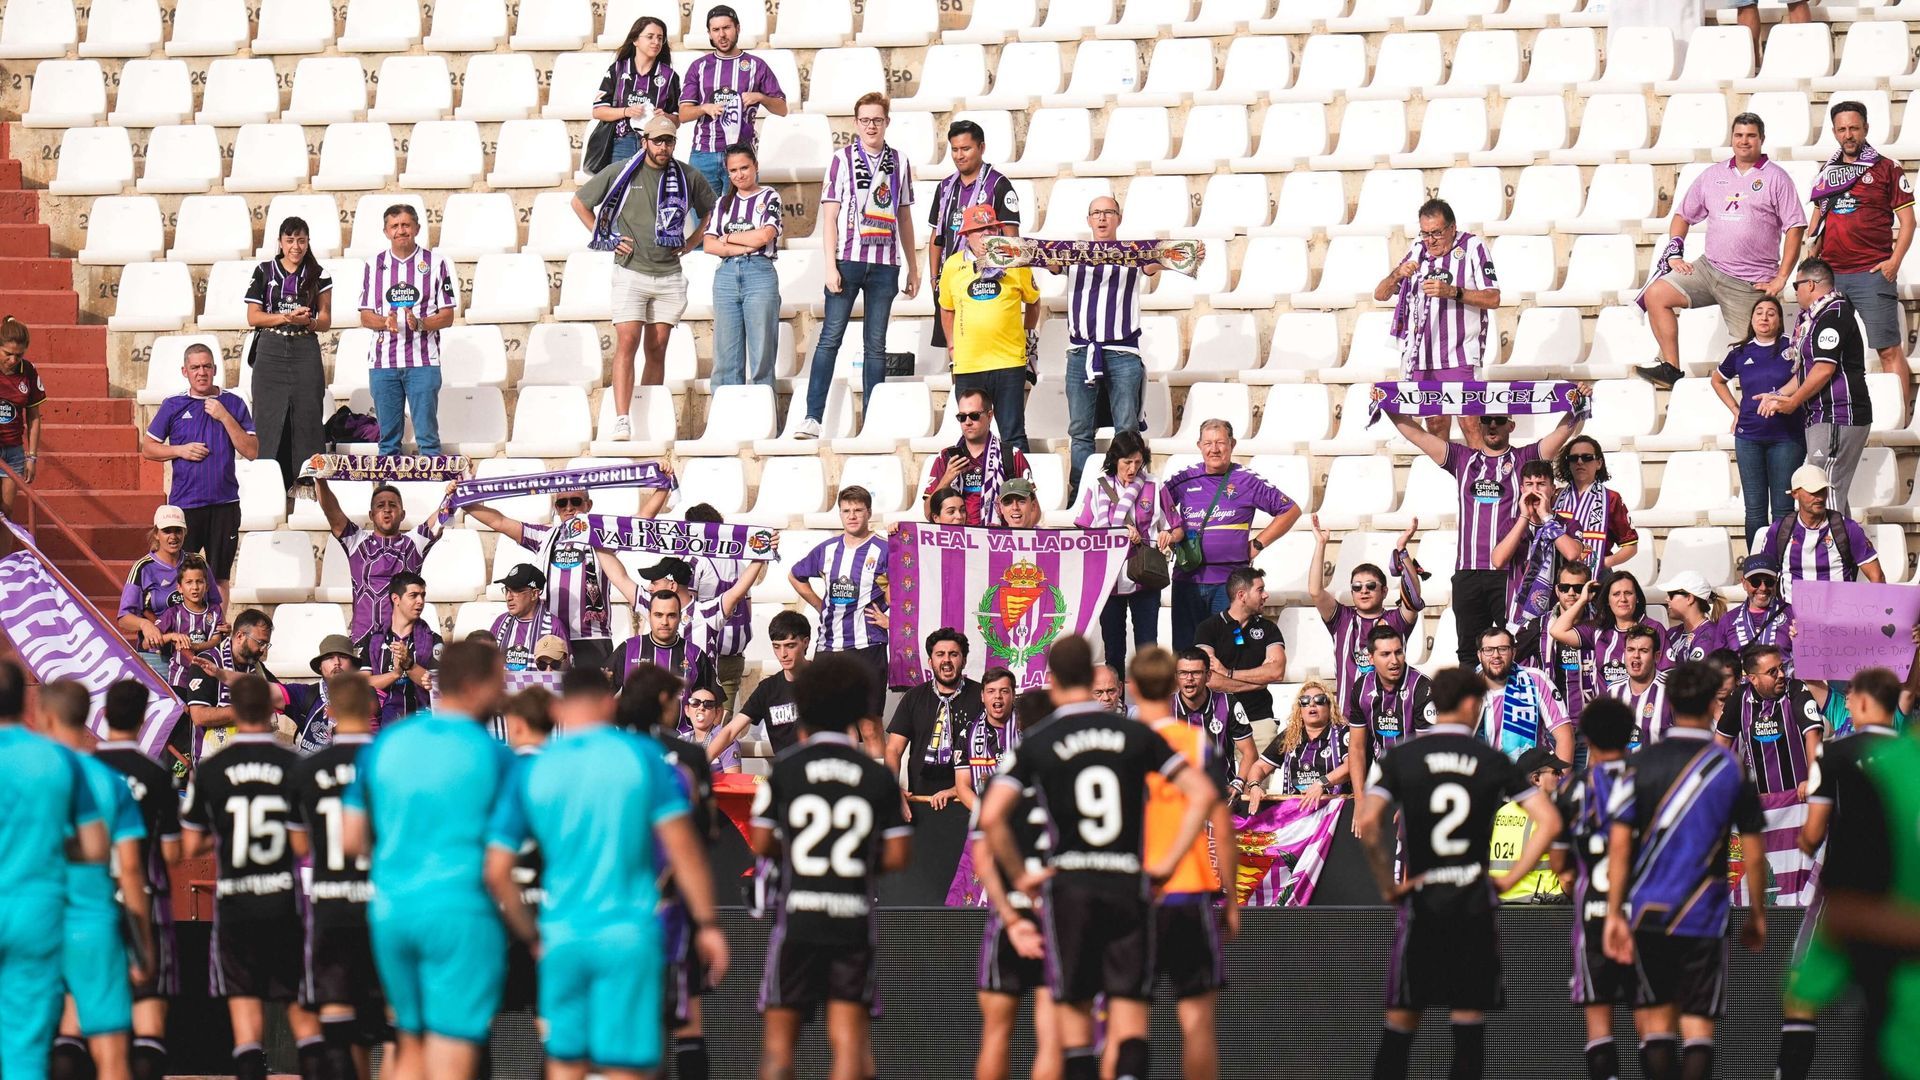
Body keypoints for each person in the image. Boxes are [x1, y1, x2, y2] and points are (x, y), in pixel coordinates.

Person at [978, 636, 1218, 1080]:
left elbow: (991, 817)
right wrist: (1167, 863)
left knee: (1075, 1022)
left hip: (1070, 887)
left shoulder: (1039, 740)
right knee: (1129, 1017)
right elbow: (1202, 794)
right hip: (1126, 882)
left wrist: (1020, 875)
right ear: (1091, 678)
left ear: (1052, 681)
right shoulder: (1135, 734)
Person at [486, 667, 729, 1080]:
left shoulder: (534, 768)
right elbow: (684, 849)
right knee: (625, 1066)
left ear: (559, 709)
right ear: (608, 704)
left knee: (566, 1063)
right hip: (628, 934)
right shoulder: (642, 757)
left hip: (562, 934)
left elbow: (496, 870)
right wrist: (707, 924)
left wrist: (531, 935)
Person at [1357, 668, 1561, 1080]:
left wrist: (1387, 885)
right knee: (1467, 1031)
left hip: (1423, 903)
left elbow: (1369, 820)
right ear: (1471, 703)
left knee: (1400, 1030)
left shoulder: (1403, 755)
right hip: (1472, 904)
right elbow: (1550, 822)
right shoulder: (1491, 759)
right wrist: (1508, 879)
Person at [342, 641, 513, 1080]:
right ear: (474, 685)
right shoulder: (494, 754)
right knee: (450, 1049)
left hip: (392, 910)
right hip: (460, 913)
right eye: (498, 682)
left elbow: (351, 840)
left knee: (409, 1043)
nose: (503, 692)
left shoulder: (387, 743)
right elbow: (506, 856)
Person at [1602, 661, 1770, 1080]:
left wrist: (1614, 912)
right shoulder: (1730, 767)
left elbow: (1618, 846)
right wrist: (1757, 913)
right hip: (1705, 913)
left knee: (1656, 1024)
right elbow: (1753, 851)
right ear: (1714, 702)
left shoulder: (1638, 765)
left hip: (1648, 911)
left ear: (1670, 702)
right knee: (1698, 1027)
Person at [751, 655, 911, 1080]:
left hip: (798, 916)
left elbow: (762, 841)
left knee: (778, 1049)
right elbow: (897, 856)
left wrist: (800, 855)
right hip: (851, 918)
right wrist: (855, 861)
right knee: (849, 1045)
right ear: (857, 707)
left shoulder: (785, 770)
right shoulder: (876, 777)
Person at [1775, 667, 1904, 1080]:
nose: (1845, 701)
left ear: (1864, 701)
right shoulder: (1911, 756)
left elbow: (1813, 833)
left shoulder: (1834, 756)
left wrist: (1804, 842)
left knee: (1801, 994)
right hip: (1899, 896)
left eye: (1849, 696)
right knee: (1889, 994)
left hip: (1843, 897)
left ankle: (1791, 1072)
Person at [179, 674, 310, 1080]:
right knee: (297, 1004)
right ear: (270, 711)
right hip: (282, 898)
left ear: (234, 711)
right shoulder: (294, 765)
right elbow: (303, 843)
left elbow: (192, 845)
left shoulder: (212, 769)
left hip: (235, 900)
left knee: (245, 1003)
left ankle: (250, 1062)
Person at [1391, 400, 1583, 666]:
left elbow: (1561, 433)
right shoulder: (1461, 459)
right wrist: (1386, 406)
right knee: (1469, 651)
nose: (1492, 425)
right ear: (1478, 425)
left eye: (1499, 420)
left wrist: (1577, 403)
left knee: (1514, 647)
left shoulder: (1525, 459)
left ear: (1511, 426)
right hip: (1467, 571)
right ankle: (1473, 695)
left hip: (1509, 573)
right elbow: (1418, 435)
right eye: (1487, 420)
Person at [1638, 113, 1806, 389]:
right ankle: (1671, 368)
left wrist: (1782, 277)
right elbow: (1682, 215)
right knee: (1656, 294)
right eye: (1739, 135)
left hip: (1748, 280)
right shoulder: (1713, 175)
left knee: (1756, 354)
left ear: (1762, 139)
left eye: (1751, 135)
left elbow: (1796, 228)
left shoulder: (1776, 178)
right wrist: (1675, 252)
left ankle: (1774, 403)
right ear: (1732, 138)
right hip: (1709, 268)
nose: (1744, 141)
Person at [1134, 645, 1239, 1080]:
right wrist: (1232, 900)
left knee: (1128, 1021)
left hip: (1136, 895)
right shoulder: (1196, 743)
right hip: (1189, 890)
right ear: (1172, 684)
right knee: (1197, 1024)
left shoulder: (1119, 742)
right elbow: (1222, 824)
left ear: (1133, 687)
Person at [572, 113, 718, 427]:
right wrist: (607, 238)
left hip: (669, 273)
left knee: (657, 348)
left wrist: (693, 241)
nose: (663, 147)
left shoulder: (687, 175)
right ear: (644, 142)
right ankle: (622, 417)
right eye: (658, 141)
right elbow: (579, 203)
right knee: (627, 342)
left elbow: (713, 211)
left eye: (669, 141)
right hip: (631, 271)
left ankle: (647, 418)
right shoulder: (622, 171)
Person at [0, 660, 108, 1080]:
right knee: (26, 1043)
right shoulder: (58, 760)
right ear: (26, 703)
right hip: (36, 910)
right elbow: (95, 846)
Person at [613, 664, 721, 1080]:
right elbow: (704, 832)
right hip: (672, 898)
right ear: (662, 701)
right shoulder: (687, 756)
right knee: (687, 1013)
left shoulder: (607, 753)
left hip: (612, 901)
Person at [42, 680, 150, 1080]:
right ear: (89, 717)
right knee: (111, 1051)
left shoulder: (23, 774)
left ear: (44, 718)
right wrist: (142, 944)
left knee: (28, 1042)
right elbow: (131, 867)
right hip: (92, 919)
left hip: (32, 917)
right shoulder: (108, 781)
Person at [800, 91, 920, 435]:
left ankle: (873, 420)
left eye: (877, 120)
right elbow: (829, 216)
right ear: (855, 123)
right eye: (865, 120)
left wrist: (913, 267)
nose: (871, 126)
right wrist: (829, 265)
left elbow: (904, 216)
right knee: (830, 337)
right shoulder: (841, 159)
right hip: (848, 260)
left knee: (876, 345)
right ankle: (813, 417)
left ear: (887, 122)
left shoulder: (900, 161)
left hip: (885, 263)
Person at [287, 672, 383, 1080]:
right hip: (379, 901)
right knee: (387, 1026)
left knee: (338, 1018)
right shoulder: (388, 763)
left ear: (328, 712)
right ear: (372, 708)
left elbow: (299, 845)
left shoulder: (307, 769)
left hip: (329, 899)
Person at [966, 684, 1061, 1080]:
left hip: (1012, 916)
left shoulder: (1001, 782)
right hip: (1056, 916)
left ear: (1019, 725)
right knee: (1051, 1037)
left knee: (995, 1033)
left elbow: (982, 857)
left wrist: (1009, 912)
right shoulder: (1070, 778)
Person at [95, 680, 184, 1080]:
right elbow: (172, 853)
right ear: (144, 719)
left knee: (90, 1012)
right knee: (149, 1009)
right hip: (147, 898)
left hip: (92, 901)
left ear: (104, 715)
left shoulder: (84, 770)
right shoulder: (156, 774)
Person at [466, 487, 656, 670]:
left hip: (592, 639)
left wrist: (664, 483)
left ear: (588, 505)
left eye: (576, 501)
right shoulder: (544, 536)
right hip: (550, 637)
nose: (569, 508)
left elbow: (643, 519)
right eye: (562, 503)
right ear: (555, 508)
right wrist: (462, 500)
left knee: (589, 693)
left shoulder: (602, 535)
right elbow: (499, 522)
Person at [1808, 100, 1915, 418]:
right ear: (1834, 132)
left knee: (1888, 349)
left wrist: (1894, 262)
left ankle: (1899, 419)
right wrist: (1811, 259)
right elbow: (1817, 222)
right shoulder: (1827, 172)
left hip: (1871, 274)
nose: (1848, 134)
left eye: (1854, 127)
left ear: (1866, 128)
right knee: (1827, 352)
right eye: (1842, 129)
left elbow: (1908, 223)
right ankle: (1837, 416)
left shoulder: (1887, 168)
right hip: (1832, 276)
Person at [1549, 697, 1637, 1080]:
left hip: (1593, 916)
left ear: (1586, 737)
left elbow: (1560, 865)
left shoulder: (1572, 789)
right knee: (1652, 1023)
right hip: (1641, 915)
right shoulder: (1646, 782)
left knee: (1600, 1025)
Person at [1157, 420, 1299, 649]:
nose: (1214, 449)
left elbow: (1290, 510)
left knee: (1231, 649)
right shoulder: (1184, 479)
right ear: (1199, 445)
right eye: (1208, 443)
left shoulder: (1247, 480)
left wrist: (1258, 544)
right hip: (1188, 580)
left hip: (1230, 585)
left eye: (1220, 443)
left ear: (1232, 444)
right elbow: (1153, 505)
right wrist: (1169, 533)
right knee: (1186, 653)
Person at [1373, 198, 1501, 440]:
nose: (1430, 240)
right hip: (1421, 356)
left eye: (1437, 233)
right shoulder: (1417, 249)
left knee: (1471, 424)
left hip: (1460, 354)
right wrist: (1397, 274)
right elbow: (1380, 294)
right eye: (1425, 233)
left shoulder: (1473, 247)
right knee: (1435, 425)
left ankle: (1477, 467)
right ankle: (1446, 467)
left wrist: (1453, 292)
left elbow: (1493, 298)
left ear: (1452, 228)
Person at [140, 344, 258, 597]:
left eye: (206, 366)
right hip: (186, 506)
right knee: (183, 575)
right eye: (195, 367)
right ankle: (184, 623)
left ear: (214, 369)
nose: (201, 372)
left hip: (224, 503)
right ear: (185, 371)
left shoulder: (233, 403)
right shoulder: (174, 405)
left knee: (220, 577)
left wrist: (224, 417)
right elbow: (148, 448)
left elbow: (251, 451)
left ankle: (217, 624)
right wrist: (179, 450)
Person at [1759, 259, 1874, 512]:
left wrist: (1794, 401)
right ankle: (1843, 538)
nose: (1795, 292)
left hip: (1838, 414)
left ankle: (1832, 540)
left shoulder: (1834, 315)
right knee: (1831, 491)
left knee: (1823, 490)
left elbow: (1823, 369)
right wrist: (1778, 395)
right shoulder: (1817, 316)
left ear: (1810, 284)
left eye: (1796, 285)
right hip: (1823, 415)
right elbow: (1807, 371)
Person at [1062, 195, 1158, 485]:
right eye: (1096, 213)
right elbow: (1044, 259)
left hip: (1122, 351)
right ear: (1088, 219)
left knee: (1126, 429)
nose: (1102, 218)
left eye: (1108, 212)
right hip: (1081, 351)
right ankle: (1081, 493)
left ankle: (1129, 490)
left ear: (1119, 218)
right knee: (1080, 430)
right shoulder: (1072, 253)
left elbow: (1158, 261)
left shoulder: (1134, 254)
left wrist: (1186, 254)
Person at [939, 204, 1042, 453]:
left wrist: (1027, 335)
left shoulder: (1015, 260)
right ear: (966, 235)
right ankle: (975, 481)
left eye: (991, 229)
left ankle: (1020, 480)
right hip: (969, 364)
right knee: (972, 434)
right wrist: (952, 347)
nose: (986, 235)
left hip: (1008, 361)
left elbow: (1034, 301)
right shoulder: (953, 265)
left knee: (1013, 433)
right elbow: (946, 309)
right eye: (979, 230)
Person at [357, 205, 457, 458]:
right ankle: (387, 485)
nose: (401, 230)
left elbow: (447, 316)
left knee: (428, 441)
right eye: (395, 226)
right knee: (387, 444)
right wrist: (385, 322)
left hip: (423, 362)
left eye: (406, 225)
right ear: (386, 231)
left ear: (417, 228)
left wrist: (420, 323)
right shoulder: (373, 265)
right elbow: (365, 316)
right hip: (383, 364)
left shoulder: (435, 263)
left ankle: (432, 482)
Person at [1712, 295, 1807, 546]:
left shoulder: (1792, 347)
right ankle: (1758, 563)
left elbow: (1807, 377)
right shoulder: (1740, 352)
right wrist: (1735, 410)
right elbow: (1717, 380)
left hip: (1787, 437)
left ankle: (1782, 561)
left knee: (1783, 508)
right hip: (1749, 438)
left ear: (1779, 320)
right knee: (1754, 509)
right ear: (1752, 319)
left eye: (1771, 313)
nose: (1764, 317)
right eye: (1759, 312)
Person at [242, 216, 329, 488]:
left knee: (308, 416)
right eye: (290, 240)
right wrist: (285, 318)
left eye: (301, 240)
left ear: (308, 242)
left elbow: (325, 320)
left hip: (305, 348)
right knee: (267, 417)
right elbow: (253, 317)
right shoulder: (264, 270)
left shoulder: (319, 274)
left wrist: (308, 322)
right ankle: (267, 486)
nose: (296, 246)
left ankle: (310, 488)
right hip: (271, 349)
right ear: (280, 242)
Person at [790, 485, 890, 717]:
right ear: (840, 514)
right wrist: (819, 605)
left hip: (868, 645)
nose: (852, 516)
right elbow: (795, 575)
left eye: (858, 510)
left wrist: (891, 621)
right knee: (827, 717)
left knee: (869, 722)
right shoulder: (827, 549)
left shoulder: (884, 550)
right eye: (846, 511)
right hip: (829, 645)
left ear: (869, 512)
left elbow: (905, 589)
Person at [1312, 514, 1425, 714]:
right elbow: (1315, 592)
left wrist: (1402, 551)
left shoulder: (1395, 620)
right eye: (1357, 587)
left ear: (1384, 591)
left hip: (1389, 717)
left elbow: (1414, 597)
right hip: (1348, 717)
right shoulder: (1342, 618)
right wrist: (1321, 544)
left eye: (1371, 586)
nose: (1363, 591)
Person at [313, 479, 449, 642]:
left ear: (402, 514)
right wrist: (320, 481)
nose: (387, 509)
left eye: (392, 505)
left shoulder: (414, 543)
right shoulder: (357, 542)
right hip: (363, 642)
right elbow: (332, 513)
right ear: (371, 515)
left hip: (403, 643)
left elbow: (442, 514)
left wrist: (451, 494)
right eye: (380, 505)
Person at [1075, 430, 1166, 672]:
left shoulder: (1154, 485)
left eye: (1138, 462)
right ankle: (1115, 695)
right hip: (1109, 580)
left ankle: (1150, 695)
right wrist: (1117, 533)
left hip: (1145, 578)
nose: (1132, 468)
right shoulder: (1097, 487)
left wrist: (1168, 535)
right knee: (1113, 650)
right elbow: (1083, 532)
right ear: (1115, 459)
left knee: (1148, 649)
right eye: (1127, 462)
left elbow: (1174, 528)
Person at [927, 118, 1020, 350]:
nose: (959, 155)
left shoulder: (999, 185)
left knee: (982, 348)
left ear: (981, 147)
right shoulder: (945, 187)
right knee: (954, 350)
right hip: (951, 280)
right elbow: (937, 237)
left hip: (986, 283)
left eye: (966, 148)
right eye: (955, 149)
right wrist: (934, 278)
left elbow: (1011, 239)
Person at [677, 4, 787, 198]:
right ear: (710, 34)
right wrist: (704, 108)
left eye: (726, 28)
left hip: (741, 155)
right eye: (716, 30)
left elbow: (782, 109)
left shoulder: (756, 65)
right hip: (704, 154)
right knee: (704, 215)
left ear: (737, 28)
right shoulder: (699, 67)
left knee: (741, 214)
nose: (722, 35)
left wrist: (761, 97)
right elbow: (684, 114)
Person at [1192, 566, 1285, 789]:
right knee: (1215, 793)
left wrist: (1228, 674)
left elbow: (1276, 672)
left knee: (1255, 793)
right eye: (1260, 590)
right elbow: (1208, 680)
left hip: (1259, 720)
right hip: (1217, 721)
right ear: (1242, 595)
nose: (1266, 595)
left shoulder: (1269, 629)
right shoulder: (1208, 628)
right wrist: (1257, 682)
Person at [703, 143, 783, 386]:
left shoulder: (769, 196)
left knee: (762, 353)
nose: (739, 175)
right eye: (733, 170)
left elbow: (764, 236)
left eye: (744, 168)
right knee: (725, 356)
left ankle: (763, 407)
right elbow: (709, 244)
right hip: (726, 274)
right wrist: (742, 246)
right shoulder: (722, 203)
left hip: (759, 272)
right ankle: (725, 408)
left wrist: (727, 237)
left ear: (755, 166)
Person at [1548, 570, 1668, 726]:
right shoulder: (1599, 630)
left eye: (1628, 593)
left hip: (1644, 720)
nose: (1622, 599)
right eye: (1616, 594)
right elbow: (1557, 631)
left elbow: (1667, 676)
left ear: (1637, 598)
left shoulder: (1653, 629)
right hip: (1607, 722)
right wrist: (1582, 600)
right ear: (1607, 600)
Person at [118, 505, 226, 675]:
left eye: (178, 531)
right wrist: (145, 624)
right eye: (167, 531)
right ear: (156, 533)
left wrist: (221, 628)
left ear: (185, 532)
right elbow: (124, 617)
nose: (173, 536)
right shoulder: (143, 567)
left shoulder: (197, 562)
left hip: (196, 655)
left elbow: (214, 605)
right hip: (157, 656)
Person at [884, 627, 981, 812]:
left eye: (953, 654)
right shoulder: (913, 697)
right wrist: (893, 789)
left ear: (964, 661)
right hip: (921, 800)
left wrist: (958, 789)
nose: (946, 660)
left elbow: (996, 751)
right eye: (940, 654)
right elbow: (893, 749)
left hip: (969, 799)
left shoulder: (982, 696)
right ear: (930, 661)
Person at [1754, 463, 1883, 603]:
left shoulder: (1848, 528)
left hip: (1839, 611)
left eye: (1822, 491)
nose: (1820, 498)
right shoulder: (1779, 530)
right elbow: (1764, 575)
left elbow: (1877, 577)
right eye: (1813, 492)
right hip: (1791, 611)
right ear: (1795, 494)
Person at [1715, 643, 1823, 798]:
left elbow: (1814, 734)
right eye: (1773, 672)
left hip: (1799, 796)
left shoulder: (1796, 689)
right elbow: (1721, 742)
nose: (1781, 674)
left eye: (1781, 667)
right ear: (1753, 678)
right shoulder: (1740, 697)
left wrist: (1813, 778)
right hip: (1763, 800)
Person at [1495, 459, 1585, 634]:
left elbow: (1572, 554)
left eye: (1541, 484)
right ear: (1522, 490)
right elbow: (1498, 561)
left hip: (1558, 617)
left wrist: (1546, 517)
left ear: (1552, 489)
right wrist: (1524, 517)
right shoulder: (1512, 525)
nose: (1535, 490)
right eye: (1529, 484)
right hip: (1519, 617)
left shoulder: (1568, 524)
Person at [922, 385, 1033, 526]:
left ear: (990, 416)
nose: (968, 422)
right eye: (962, 417)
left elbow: (1034, 509)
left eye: (974, 416)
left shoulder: (1011, 455)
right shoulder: (946, 457)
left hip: (997, 536)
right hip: (959, 536)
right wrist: (947, 479)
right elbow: (929, 513)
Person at [179, 609, 280, 761]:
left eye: (266, 644)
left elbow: (281, 694)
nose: (263, 650)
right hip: (212, 758)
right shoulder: (207, 663)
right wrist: (248, 710)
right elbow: (199, 716)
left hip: (249, 758)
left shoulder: (256, 666)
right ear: (240, 636)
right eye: (260, 643)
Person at [1244, 679, 1351, 813]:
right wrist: (1254, 785)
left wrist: (1321, 783)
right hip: (1295, 812)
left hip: (1334, 810)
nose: (1312, 704)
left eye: (1319, 700)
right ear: (1299, 709)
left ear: (1330, 707)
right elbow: (1260, 766)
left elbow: (1352, 766)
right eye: (1305, 701)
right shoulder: (1290, 735)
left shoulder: (1342, 733)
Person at [721, 610, 816, 761]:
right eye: (776, 646)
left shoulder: (826, 680)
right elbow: (730, 731)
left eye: (790, 645)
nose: (783, 654)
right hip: (787, 770)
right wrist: (700, 763)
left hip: (823, 768)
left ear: (805, 642)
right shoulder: (767, 689)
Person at [1474, 625, 1572, 765]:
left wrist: (1560, 778)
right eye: (1488, 650)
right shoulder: (1467, 688)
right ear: (1479, 655)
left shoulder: (1536, 679)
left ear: (1513, 653)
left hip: (1532, 773)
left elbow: (1565, 736)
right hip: (1483, 773)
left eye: (1503, 649)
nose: (1496, 655)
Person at [355, 571, 440, 732]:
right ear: (396, 599)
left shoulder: (434, 640)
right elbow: (361, 684)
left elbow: (436, 685)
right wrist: (395, 674)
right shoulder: (372, 639)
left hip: (422, 725)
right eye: (413, 595)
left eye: (423, 595)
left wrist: (409, 664)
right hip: (381, 726)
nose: (420, 601)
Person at [1346, 624, 1436, 774]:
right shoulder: (1361, 688)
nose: (1394, 660)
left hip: (1417, 774)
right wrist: (1360, 790)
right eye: (1385, 654)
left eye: (1398, 652)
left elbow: (1426, 749)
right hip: (1382, 774)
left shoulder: (1423, 688)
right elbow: (1356, 747)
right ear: (1371, 659)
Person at [591, 15, 679, 164]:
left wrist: (664, 116)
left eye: (660, 38)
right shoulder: (618, 69)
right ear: (635, 40)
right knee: (622, 180)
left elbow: (676, 120)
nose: (656, 42)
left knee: (651, 181)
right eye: (650, 37)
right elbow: (598, 111)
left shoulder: (669, 76)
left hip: (655, 143)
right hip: (622, 142)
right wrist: (626, 111)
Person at [1552, 437, 1638, 580]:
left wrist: (1604, 562)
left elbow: (1631, 546)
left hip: (1597, 574)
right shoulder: (1556, 497)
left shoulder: (1611, 498)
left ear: (1599, 463)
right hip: (1559, 574)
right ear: (1568, 464)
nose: (1580, 462)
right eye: (1573, 458)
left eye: (1587, 457)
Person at [1172, 646, 1247, 795]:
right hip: (1177, 797)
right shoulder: (1165, 707)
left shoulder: (1228, 703)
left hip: (1219, 795)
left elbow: (1249, 751)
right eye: (1183, 673)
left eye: (1196, 673)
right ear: (1175, 676)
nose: (1189, 678)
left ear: (1208, 675)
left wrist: (1238, 782)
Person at [945, 667, 1019, 813]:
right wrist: (987, 815)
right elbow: (962, 786)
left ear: (1013, 695)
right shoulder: (967, 734)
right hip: (985, 816)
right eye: (991, 691)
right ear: (982, 696)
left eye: (1004, 691)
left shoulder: (1030, 727)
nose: (997, 696)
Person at [281, 634, 364, 754]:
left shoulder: (369, 697)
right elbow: (264, 692)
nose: (337, 663)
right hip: (311, 765)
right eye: (330, 657)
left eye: (343, 657)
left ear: (353, 665)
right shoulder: (304, 694)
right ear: (320, 666)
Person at [152, 554, 223, 690]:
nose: (195, 587)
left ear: (207, 586)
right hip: (180, 678)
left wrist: (193, 646)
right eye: (189, 582)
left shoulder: (215, 611)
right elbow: (148, 641)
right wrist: (172, 636)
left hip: (208, 675)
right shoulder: (173, 613)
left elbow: (216, 640)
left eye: (199, 582)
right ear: (179, 588)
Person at [1716, 552, 1796, 671]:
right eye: (1755, 582)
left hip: (1783, 681)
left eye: (1769, 582)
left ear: (1776, 582)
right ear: (1744, 583)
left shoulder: (1792, 613)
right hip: (1742, 682)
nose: (1763, 588)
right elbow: (1718, 666)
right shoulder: (1728, 620)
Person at [0, 315, 44, 515]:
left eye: (18, 355)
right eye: (7, 354)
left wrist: (32, 457)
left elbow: (34, 416)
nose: (12, 360)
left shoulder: (28, 370)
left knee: (5, 513)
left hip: (13, 452)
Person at [1606, 625, 1671, 751]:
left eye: (1643, 650)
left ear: (1657, 656)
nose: (1636, 655)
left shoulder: (1671, 691)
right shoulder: (1613, 691)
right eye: (1630, 649)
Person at [490, 564, 559, 671]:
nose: (508, 597)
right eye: (507, 590)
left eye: (516, 591)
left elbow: (563, 671)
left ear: (534, 594)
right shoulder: (500, 623)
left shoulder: (553, 627)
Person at [1658, 569, 1727, 666]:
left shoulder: (1710, 635)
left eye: (1671, 595)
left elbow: (1695, 673)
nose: (1667, 599)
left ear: (1689, 598)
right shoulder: (1672, 633)